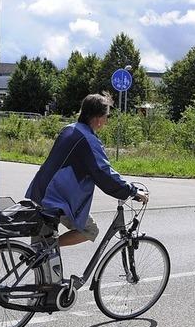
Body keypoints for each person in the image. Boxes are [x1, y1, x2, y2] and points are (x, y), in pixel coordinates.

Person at [26, 92, 148, 247]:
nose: (106, 121)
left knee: (39, 257)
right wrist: (132, 191)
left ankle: (43, 249)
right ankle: (47, 247)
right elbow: (103, 173)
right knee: (89, 230)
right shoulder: (88, 140)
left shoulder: (69, 129)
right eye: (107, 117)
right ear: (98, 119)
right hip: (55, 200)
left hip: (40, 191)